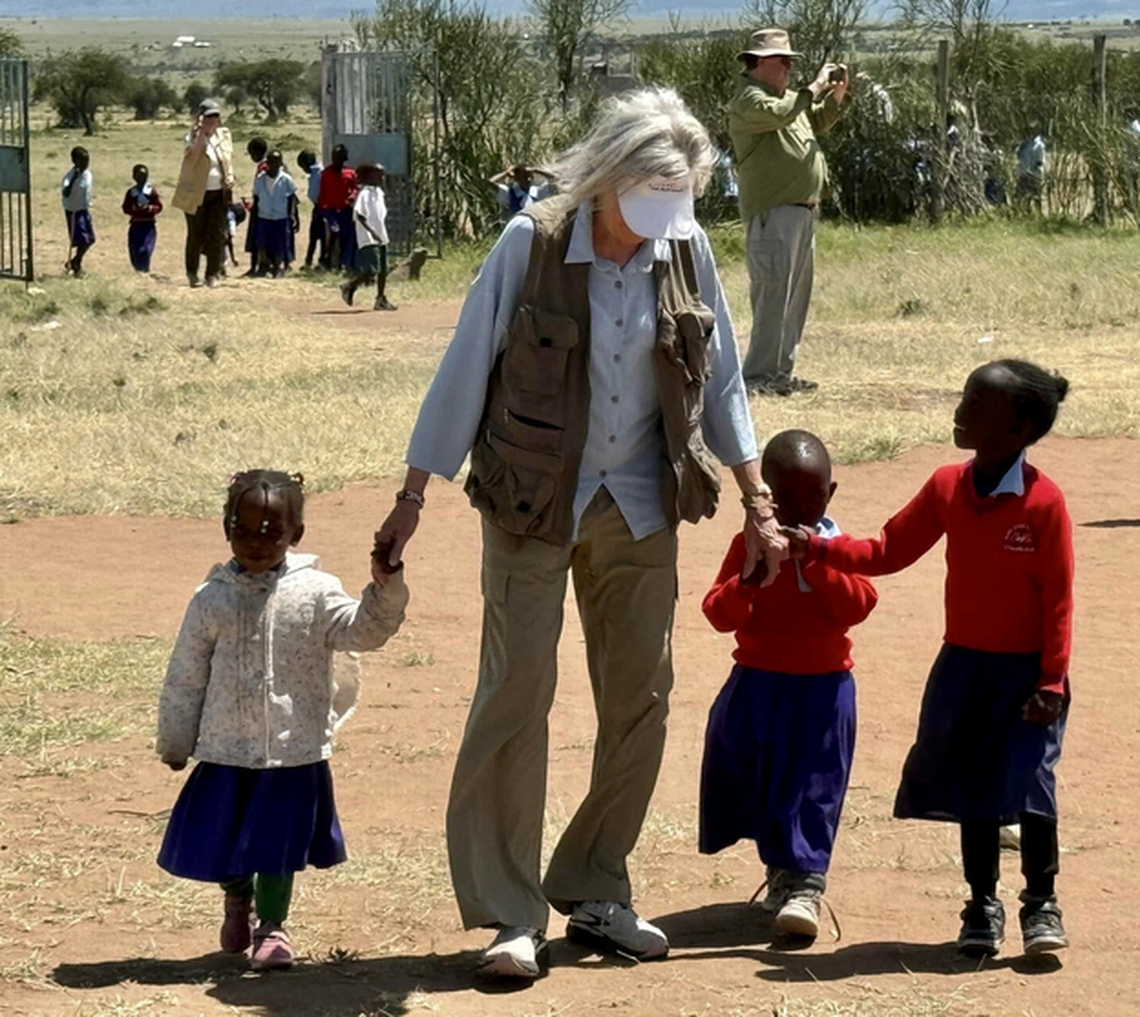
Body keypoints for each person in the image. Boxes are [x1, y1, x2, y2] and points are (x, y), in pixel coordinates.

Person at [374, 86, 787, 981]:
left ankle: (596, 881)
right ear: (604, 178)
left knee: (640, 697)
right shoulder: (530, 242)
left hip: (642, 502)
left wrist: (757, 500)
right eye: (643, 203)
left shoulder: (685, 245)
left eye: (670, 207)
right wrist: (412, 495)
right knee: (516, 688)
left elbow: (721, 387)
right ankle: (511, 911)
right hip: (531, 501)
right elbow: (464, 367)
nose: (650, 228)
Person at [785, 360, 1073, 959]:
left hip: (1027, 675)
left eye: (976, 402)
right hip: (964, 666)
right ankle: (981, 906)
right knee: (974, 787)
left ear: (1017, 429)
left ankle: (1041, 905)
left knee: (1031, 785)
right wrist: (818, 546)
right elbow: (888, 550)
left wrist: (1051, 679)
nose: (961, 408)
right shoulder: (947, 487)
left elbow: (1059, 601)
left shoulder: (1044, 504)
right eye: (965, 395)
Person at [155, 470, 410, 971]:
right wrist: (175, 740)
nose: (255, 542)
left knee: (275, 844)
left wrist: (387, 587)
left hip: (290, 751)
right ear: (225, 527)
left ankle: (272, 927)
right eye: (242, 528)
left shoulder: (315, 592)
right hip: (225, 748)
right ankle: (236, 898)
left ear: (296, 534)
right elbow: (185, 674)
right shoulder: (211, 599)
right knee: (225, 836)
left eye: (271, 531)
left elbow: (365, 630)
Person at [700, 429, 877, 941]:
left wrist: (816, 562)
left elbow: (860, 605)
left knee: (815, 786)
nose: (800, 510)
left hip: (823, 691)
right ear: (765, 500)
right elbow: (717, 613)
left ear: (831, 494)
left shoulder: (837, 546)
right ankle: (781, 872)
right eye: (785, 500)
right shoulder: (748, 546)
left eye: (812, 497)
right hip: (758, 685)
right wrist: (749, 581)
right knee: (758, 777)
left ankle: (806, 885)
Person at [729, 28, 850, 396]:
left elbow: (813, 121)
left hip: (800, 212)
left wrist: (836, 95)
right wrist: (813, 87)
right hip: (773, 212)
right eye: (784, 60)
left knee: (794, 298)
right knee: (771, 295)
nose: (789, 67)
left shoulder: (786, 101)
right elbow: (785, 112)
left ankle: (780, 373)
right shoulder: (750, 100)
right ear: (760, 61)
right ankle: (758, 376)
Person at [172, 98, 235, 289]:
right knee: (196, 234)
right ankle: (192, 273)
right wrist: (200, 134)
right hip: (196, 193)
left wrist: (230, 181)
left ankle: (212, 274)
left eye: (216, 116)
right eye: (209, 116)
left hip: (218, 193)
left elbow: (228, 160)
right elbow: (192, 158)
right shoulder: (192, 137)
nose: (213, 120)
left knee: (216, 234)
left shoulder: (224, 135)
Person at [340, 162, 396, 311]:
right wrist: (372, 232)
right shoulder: (364, 193)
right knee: (371, 270)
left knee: (384, 269)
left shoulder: (379, 193)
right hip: (368, 237)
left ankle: (381, 299)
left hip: (381, 235)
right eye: (379, 174)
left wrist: (380, 233)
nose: (382, 178)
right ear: (370, 176)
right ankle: (349, 286)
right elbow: (360, 215)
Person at [252, 150, 299, 277]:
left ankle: (278, 267)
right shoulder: (260, 179)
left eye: (277, 162)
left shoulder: (286, 179)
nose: (274, 165)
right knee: (262, 242)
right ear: (267, 163)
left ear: (280, 163)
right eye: (271, 162)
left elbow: (292, 198)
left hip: (280, 216)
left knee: (280, 242)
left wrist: (293, 215)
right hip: (264, 215)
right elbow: (256, 198)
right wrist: (254, 217)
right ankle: (263, 266)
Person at [317, 144, 358, 271]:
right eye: (334, 157)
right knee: (334, 231)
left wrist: (352, 196)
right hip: (330, 210)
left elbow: (356, 188)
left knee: (347, 236)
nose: (336, 160)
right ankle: (327, 258)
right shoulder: (326, 173)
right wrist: (321, 209)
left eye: (339, 157)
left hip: (345, 210)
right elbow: (322, 192)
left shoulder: (350, 173)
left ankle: (344, 262)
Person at [121, 163, 163, 273]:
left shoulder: (151, 191)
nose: (142, 179)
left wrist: (150, 208)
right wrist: (134, 209)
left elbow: (159, 206)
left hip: (148, 225)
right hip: (136, 224)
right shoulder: (131, 193)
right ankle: (138, 269)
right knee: (134, 249)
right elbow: (125, 208)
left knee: (145, 249)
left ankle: (145, 268)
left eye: (144, 176)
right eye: (139, 176)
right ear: (134, 177)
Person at [61, 146, 95, 277]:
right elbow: (65, 193)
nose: (86, 164)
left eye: (87, 161)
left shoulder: (88, 174)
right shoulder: (69, 177)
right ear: (75, 161)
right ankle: (77, 265)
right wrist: (74, 178)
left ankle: (74, 261)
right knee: (83, 240)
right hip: (74, 212)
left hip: (84, 210)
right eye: (82, 161)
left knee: (91, 239)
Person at [243, 137, 269, 276]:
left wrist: (254, 204)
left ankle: (256, 266)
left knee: (256, 237)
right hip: (262, 205)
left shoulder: (264, 167)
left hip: (260, 207)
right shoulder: (266, 165)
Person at [297, 149, 326, 268]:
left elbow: (314, 194)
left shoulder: (316, 173)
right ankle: (314, 260)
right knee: (318, 236)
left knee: (316, 236)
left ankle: (314, 260)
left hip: (321, 207)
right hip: (322, 207)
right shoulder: (320, 170)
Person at [1016, 128, 1046, 213]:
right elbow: (1019, 158)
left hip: (1034, 175)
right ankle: (1026, 213)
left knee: (1036, 197)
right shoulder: (1025, 144)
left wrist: (1032, 169)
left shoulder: (1039, 145)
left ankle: (1039, 214)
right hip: (1024, 174)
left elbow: (1040, 161)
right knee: (1021, 197)